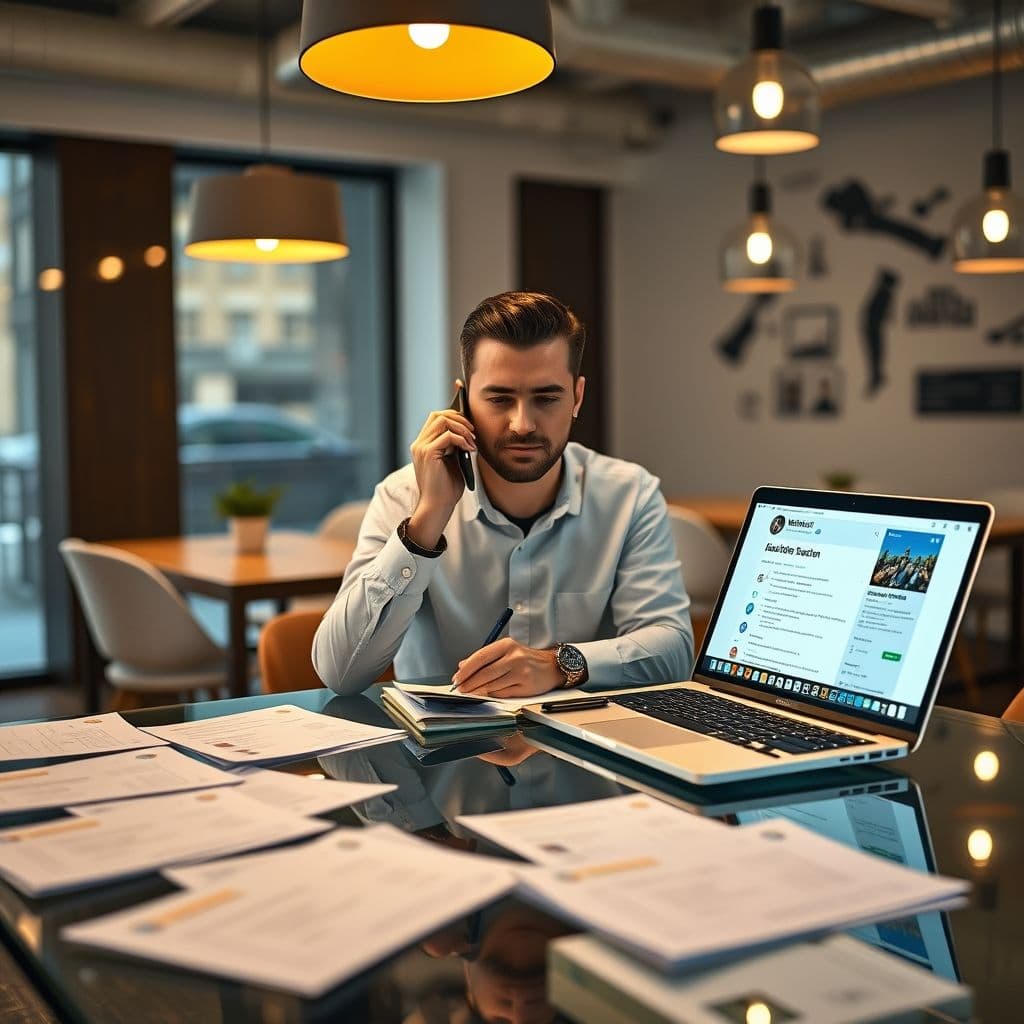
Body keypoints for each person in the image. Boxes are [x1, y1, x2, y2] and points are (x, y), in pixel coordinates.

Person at [313, 291, 693, 698]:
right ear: (463, 402)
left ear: (577, 398)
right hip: (437, 757)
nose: (523, 423)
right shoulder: (403, 495)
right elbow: (339, 671)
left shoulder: (630, 494)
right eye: (499, 399)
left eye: (546, 398)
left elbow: (673, 651)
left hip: (582, 751)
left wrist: (558, 664)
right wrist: (428, 519)